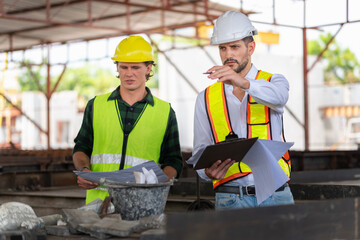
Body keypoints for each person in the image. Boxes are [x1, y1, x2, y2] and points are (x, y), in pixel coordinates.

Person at [193, 11, 294, 209]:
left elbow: (280, 97)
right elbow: (199, 154)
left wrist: (244, 83)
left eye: (235, 47)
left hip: (276, 196)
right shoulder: (205, 98)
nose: (228, 54)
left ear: (251, 47)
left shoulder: (274, 81)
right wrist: (207, 172)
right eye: (223, 48)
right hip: (230, 199)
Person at [73, 35, 183, 204]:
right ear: (117, 68)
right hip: (98, 206)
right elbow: (81, 147)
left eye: (135, 67)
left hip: (144, 205)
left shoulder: (165, 112)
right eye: (123, 67)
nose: (129, 73)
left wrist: (159, 184)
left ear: (148, 68)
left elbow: (174, 160)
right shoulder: (96, 106)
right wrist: (83, 170)